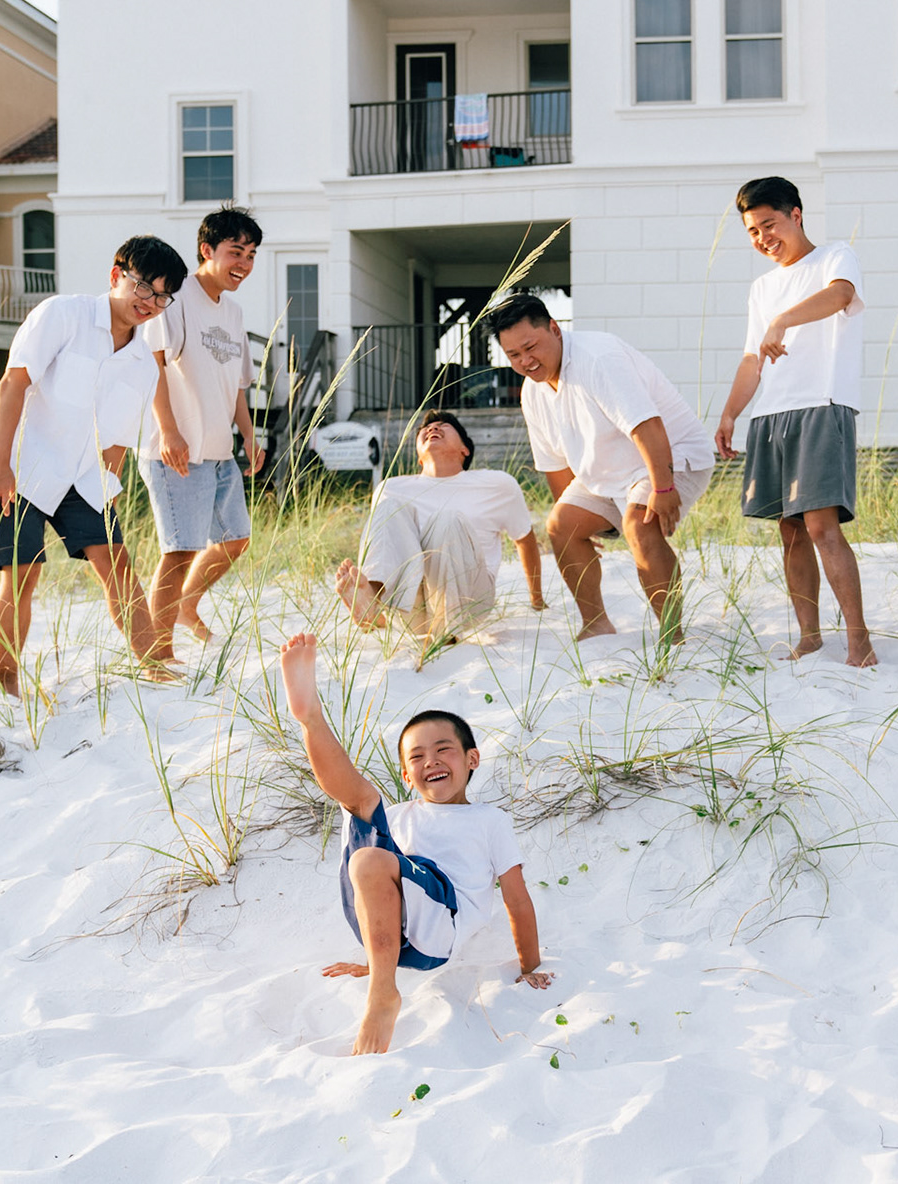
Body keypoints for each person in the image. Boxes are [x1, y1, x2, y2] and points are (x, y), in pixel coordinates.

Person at [279, 633, 553, 1055]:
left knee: (371, 858)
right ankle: (310, 718)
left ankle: (383, 993)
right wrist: (374, 958)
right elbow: (383, 888)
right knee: (364, 807)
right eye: (417, 757)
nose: (431, 761)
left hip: (442, 930)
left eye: (444, 750)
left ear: (472, 759)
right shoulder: (400, 815)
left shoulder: (488, 820)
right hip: (396, 934)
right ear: (407, 776)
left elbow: (516, 899)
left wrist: (531, 966)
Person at [0, 235, 188, 696]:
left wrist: (106, 503)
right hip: (15, 458)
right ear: (116, 275)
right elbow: (13, 384)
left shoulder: (143, 366)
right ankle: (8, 683)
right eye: (144, 287)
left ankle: (154, 666)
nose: (150, 302)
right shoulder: (63, 314)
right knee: (22, 572)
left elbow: (116, 447)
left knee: (117, 563)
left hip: (80, 474)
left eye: (163, 296)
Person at [485, 293, 714, 643]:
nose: (526, 361)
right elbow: (556, 465)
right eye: (513, 355)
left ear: (554, 329)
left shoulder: (597, 357)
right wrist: (580, 522)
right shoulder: (532, 392)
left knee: (639, 525)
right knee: (560, 525)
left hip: (670, 454)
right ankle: (596, 624)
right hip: (606, 473)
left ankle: (673, 635)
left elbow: (647, 425)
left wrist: (663, 487)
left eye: (531, 347)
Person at [714, 176, 877, 667]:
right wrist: (730, 413)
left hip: (822, 405)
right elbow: (752, 358)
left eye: (769, 225)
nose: (763, 238)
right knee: (789, 530)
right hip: (771, 414)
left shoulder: (834, 257)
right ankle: (810, 636)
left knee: (822, 526)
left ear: (796, 215)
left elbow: (841, 295)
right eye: (752, 231)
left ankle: (859, 641)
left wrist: (783, 320)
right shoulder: (761, 287)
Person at [139, 207, 265, 661]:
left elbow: (237, 385)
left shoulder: (233, 312)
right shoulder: (175, 298)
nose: (244, 263)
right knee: (180, 551)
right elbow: (153, 363)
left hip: (219, 451)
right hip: (177, 451)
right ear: (207, 250)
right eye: (236, 252)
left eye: (251, 255)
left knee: (235, 539)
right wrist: (168, 431)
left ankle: (186, 607)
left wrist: (248, 434)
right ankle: (158, 654)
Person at [335, 410, 545, 644]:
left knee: (447, 520)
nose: (432, 428)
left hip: (469, 601)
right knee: (389, 508)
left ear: (465, 449)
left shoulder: (497, 484)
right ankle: (371, 600)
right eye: (425, 429)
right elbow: (383, 548)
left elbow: (524, 540)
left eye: (443, 425)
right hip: (410, 606)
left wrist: (537, 600)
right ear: (419, 457)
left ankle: (447, 629)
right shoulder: (391, 488)